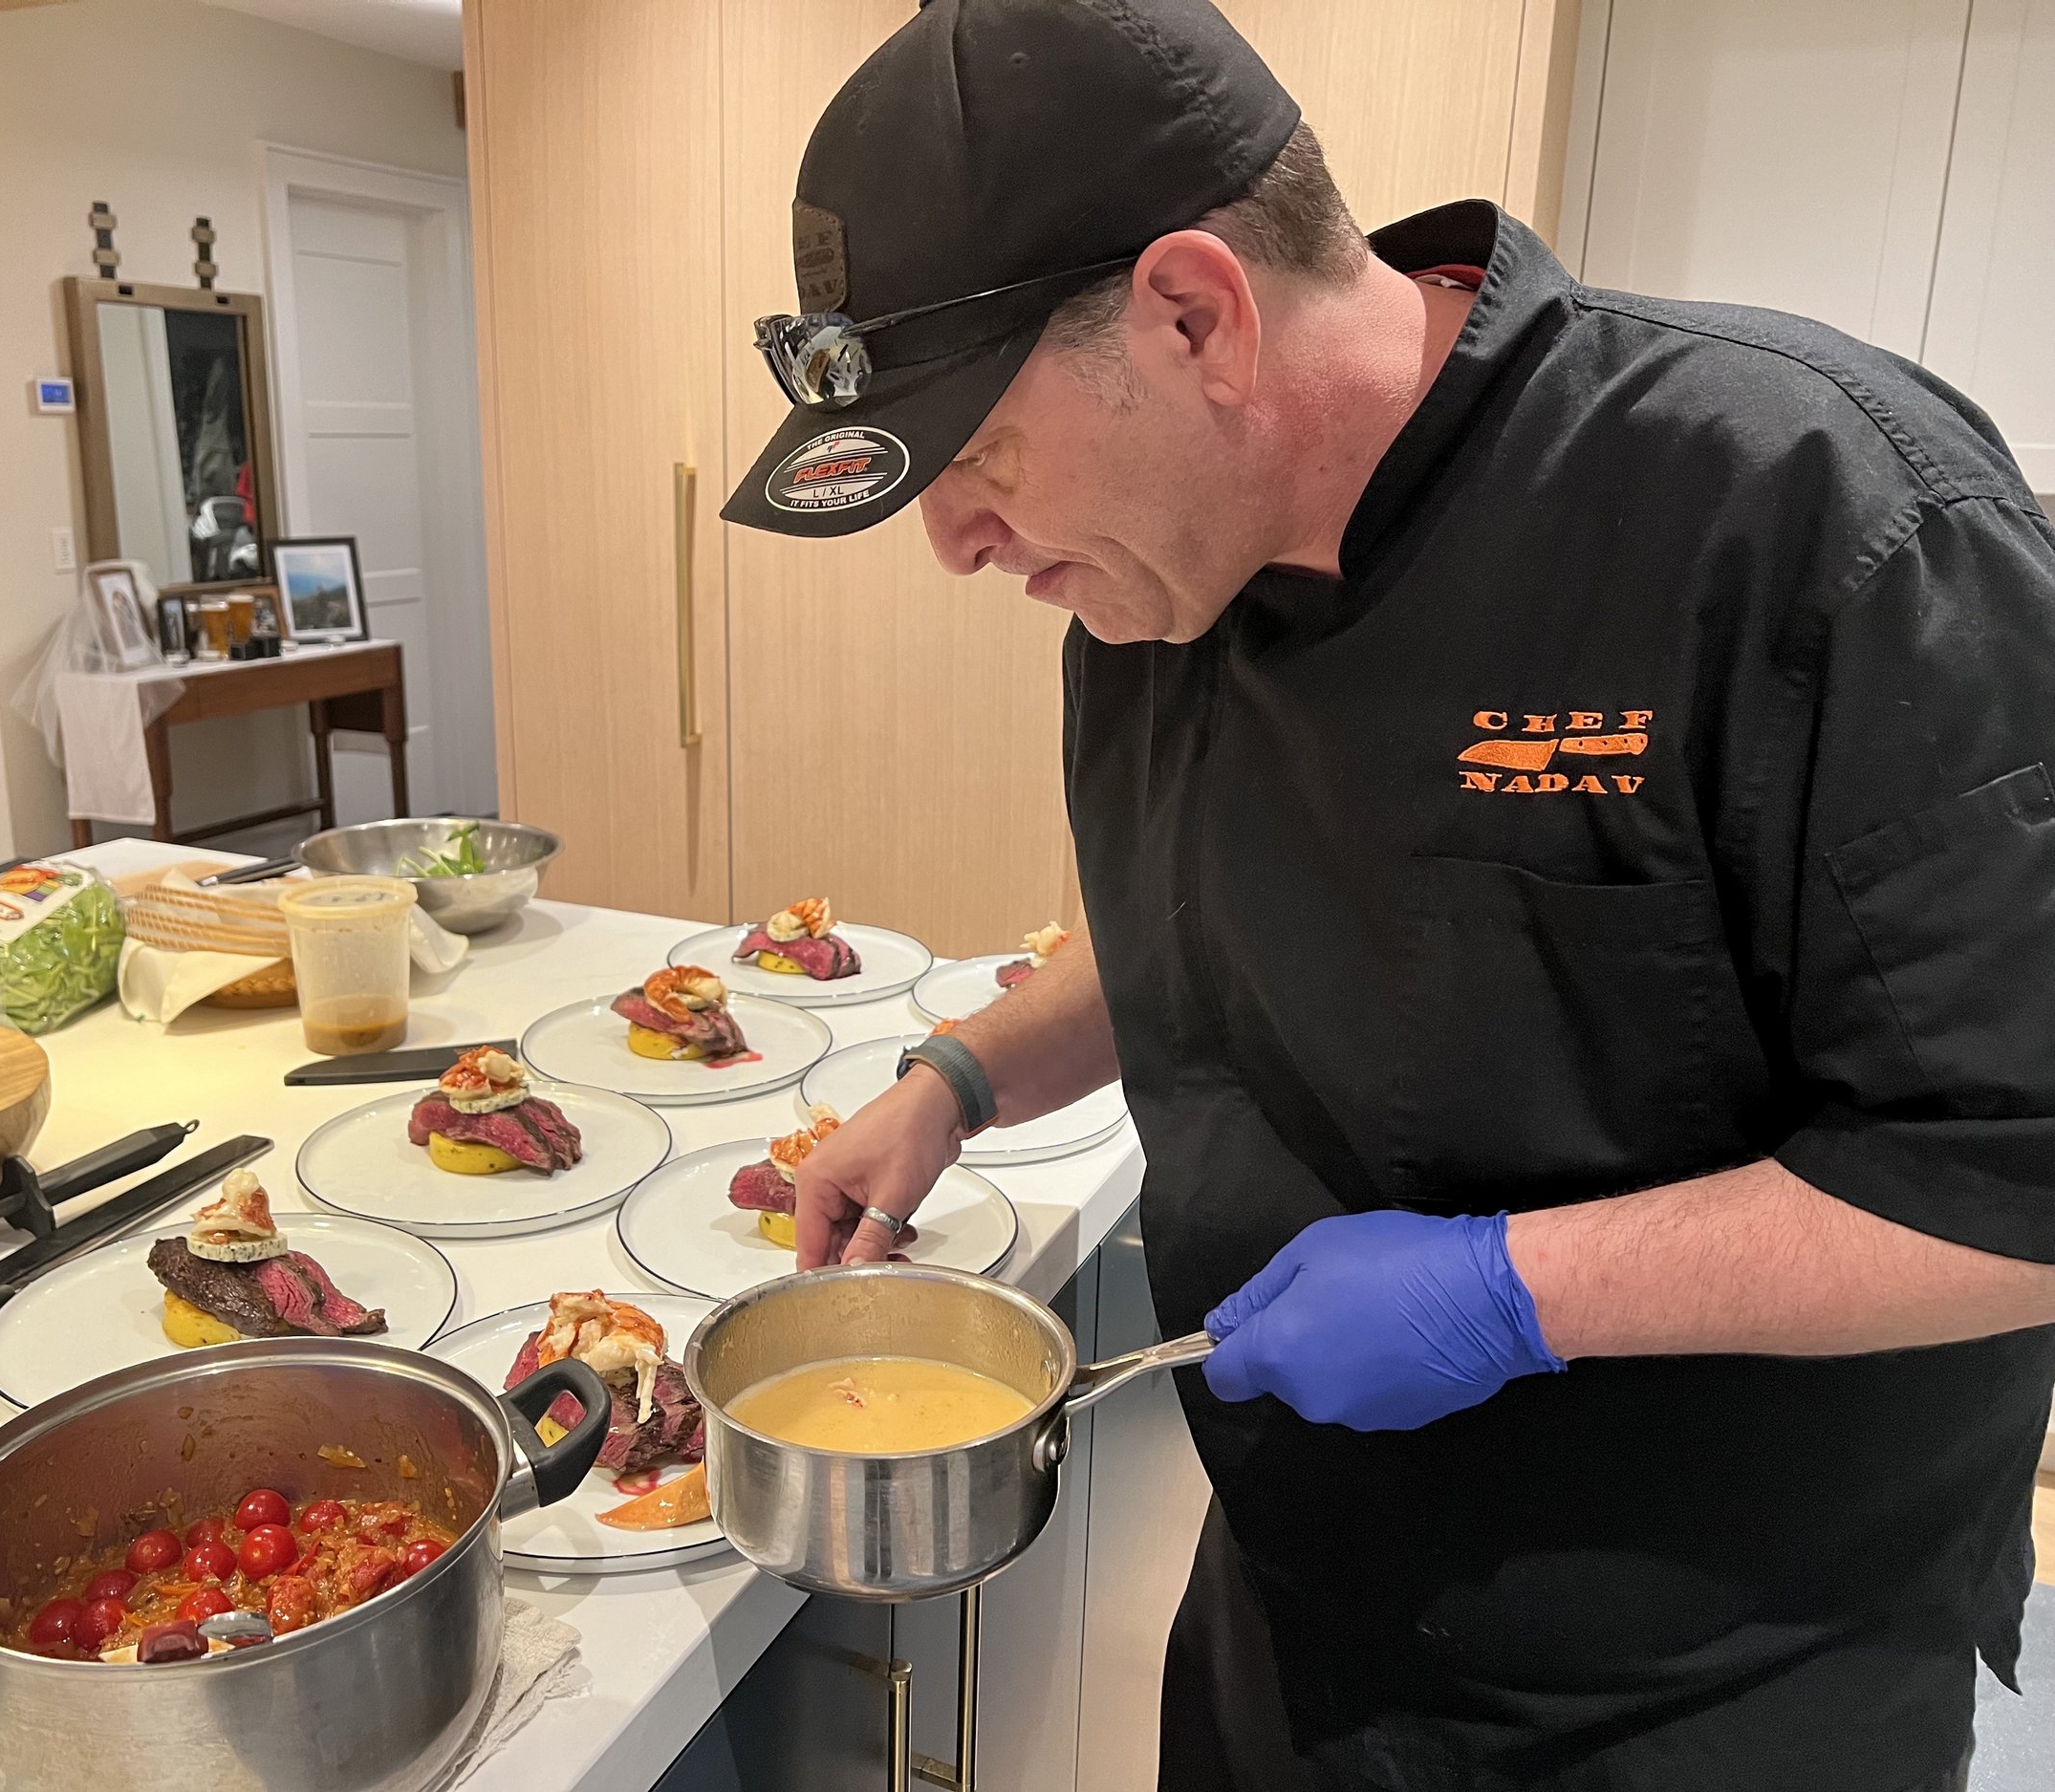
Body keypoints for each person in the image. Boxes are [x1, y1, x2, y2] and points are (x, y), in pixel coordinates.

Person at [718, 4, 2055, 1790]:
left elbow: (2013, 1174)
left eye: (971, 459)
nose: (954, 544)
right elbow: (1217, 907)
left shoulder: (1813, 515)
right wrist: (957, 1081)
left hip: (1711, 1688)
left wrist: (1516, 1291)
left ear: (1196, 314)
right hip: (1295, 1615)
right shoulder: (1152, 577)